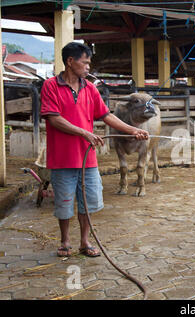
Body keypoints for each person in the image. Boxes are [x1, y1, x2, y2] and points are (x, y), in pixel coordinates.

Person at [40, 42, 149, 258]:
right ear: (70, 62)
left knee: (88, 202)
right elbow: (54, 119)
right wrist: (84, 133)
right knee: (64, 202)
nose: (89, 67)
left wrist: (131, 130)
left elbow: (105, 115)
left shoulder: (90, 88)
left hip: (87, 158)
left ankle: (84, 242)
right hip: (63, 158)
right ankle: (65, 242)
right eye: (85, 62)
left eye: (89, 63)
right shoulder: (51, 86)